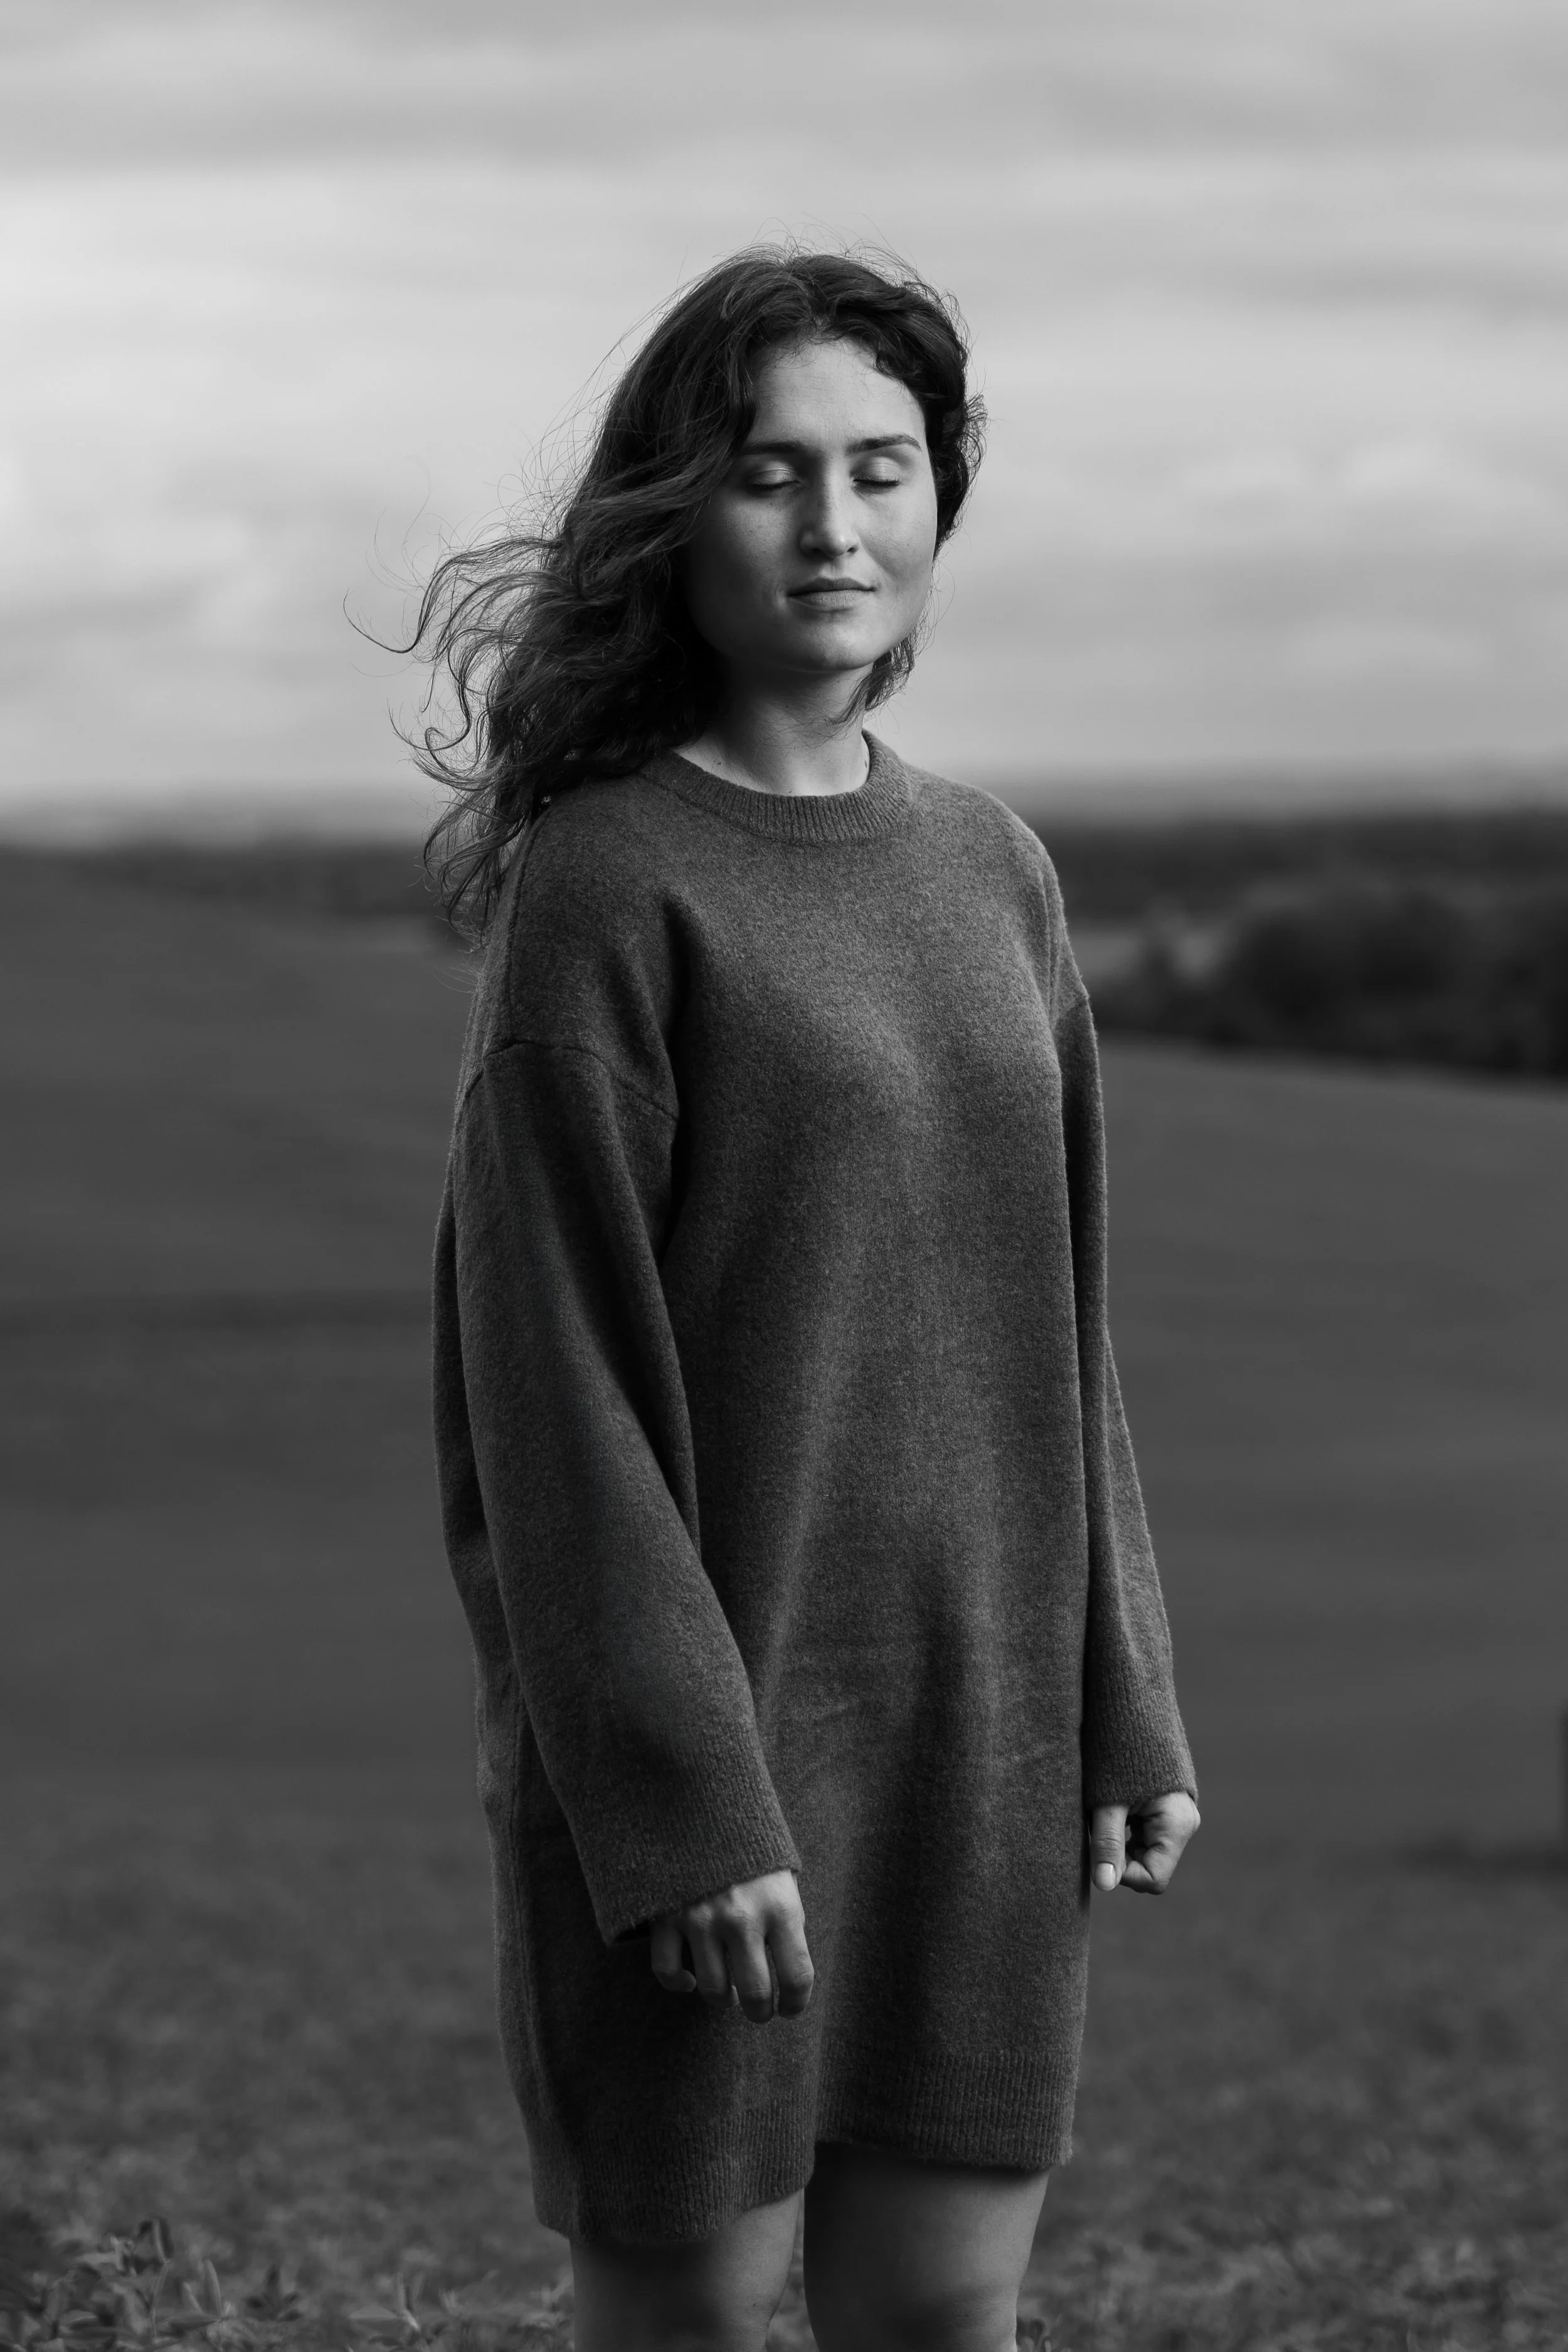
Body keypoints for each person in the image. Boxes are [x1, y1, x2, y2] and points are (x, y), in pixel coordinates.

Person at [421, 249, 1199, 2352]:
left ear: (940, 502)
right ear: (683, 516)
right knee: (684, 2321)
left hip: (977, 1744)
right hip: (711, 1760)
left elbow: (1062, 1304)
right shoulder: (608, 885)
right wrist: (676, 1803)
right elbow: (546, 1396)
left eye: (881, 467)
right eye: (772, 474)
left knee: (945, 2320)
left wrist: (1115, 1687)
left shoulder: (993, 869)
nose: (834, 526)